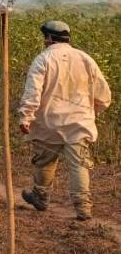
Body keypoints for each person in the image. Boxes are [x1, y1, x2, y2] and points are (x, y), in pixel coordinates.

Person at [19, 20, 111, 221]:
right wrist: (90, 112)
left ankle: (41, 198)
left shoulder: (43, 60)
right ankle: (83, 208)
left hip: (48, 124)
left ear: (50, 38)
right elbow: (104, 95)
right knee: (79, 165)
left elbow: (33, 92)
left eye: (45, 37)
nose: (44, 41)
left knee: (44, 163)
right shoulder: (85, 59)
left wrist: (26, 116)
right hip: (79, 124)